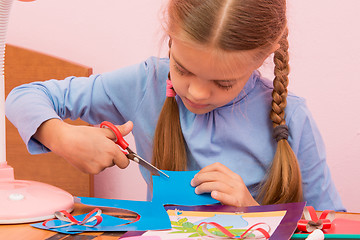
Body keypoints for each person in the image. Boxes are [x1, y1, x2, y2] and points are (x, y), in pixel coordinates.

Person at [5, 0, 345, 211]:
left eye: (223, 82)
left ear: (264, 57)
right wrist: (61, 138)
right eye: (182, 68)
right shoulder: (146, 83)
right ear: (171, 37)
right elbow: (23, 96)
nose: (196, 92)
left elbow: (332, 226)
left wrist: (252, 215)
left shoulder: (292, 118)